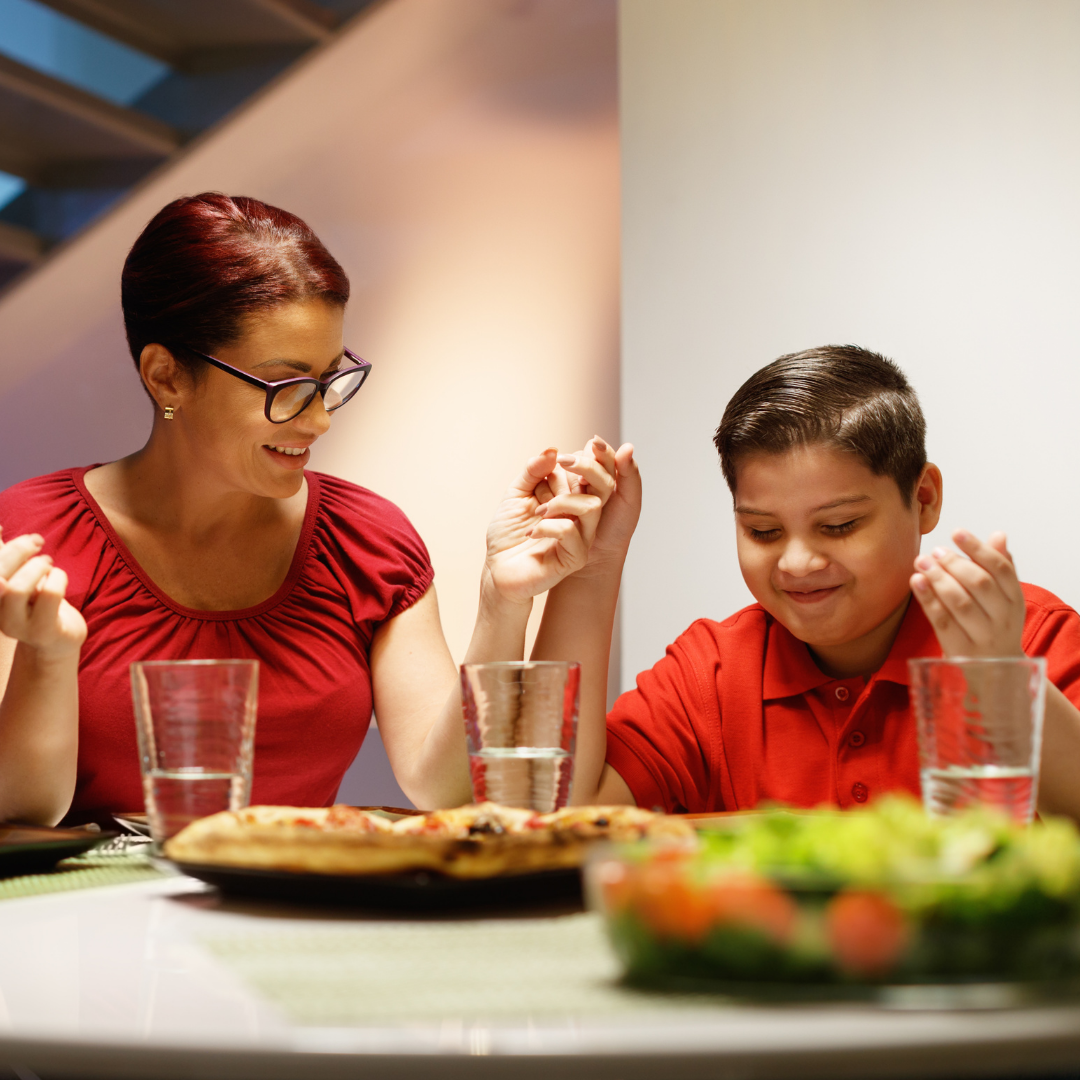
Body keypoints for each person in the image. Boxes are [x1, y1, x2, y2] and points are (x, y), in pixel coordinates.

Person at [0, 193, 638, 826]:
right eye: (287, 386)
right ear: (166, 376)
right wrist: (47, 658)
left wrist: (502, 601)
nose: (320, 418)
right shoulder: (30, 542)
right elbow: (18, 810)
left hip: (296, 906)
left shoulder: (367, 540)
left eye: (332, 379)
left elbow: (443, 787)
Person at [571, 345, 1080, 821]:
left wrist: (1003, 680)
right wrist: (594, 565)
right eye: (762, 531)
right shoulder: (712, 674)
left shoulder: (1031, 640)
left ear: (923, 498)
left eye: (838, 526)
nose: (797, 562)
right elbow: (566, 816)